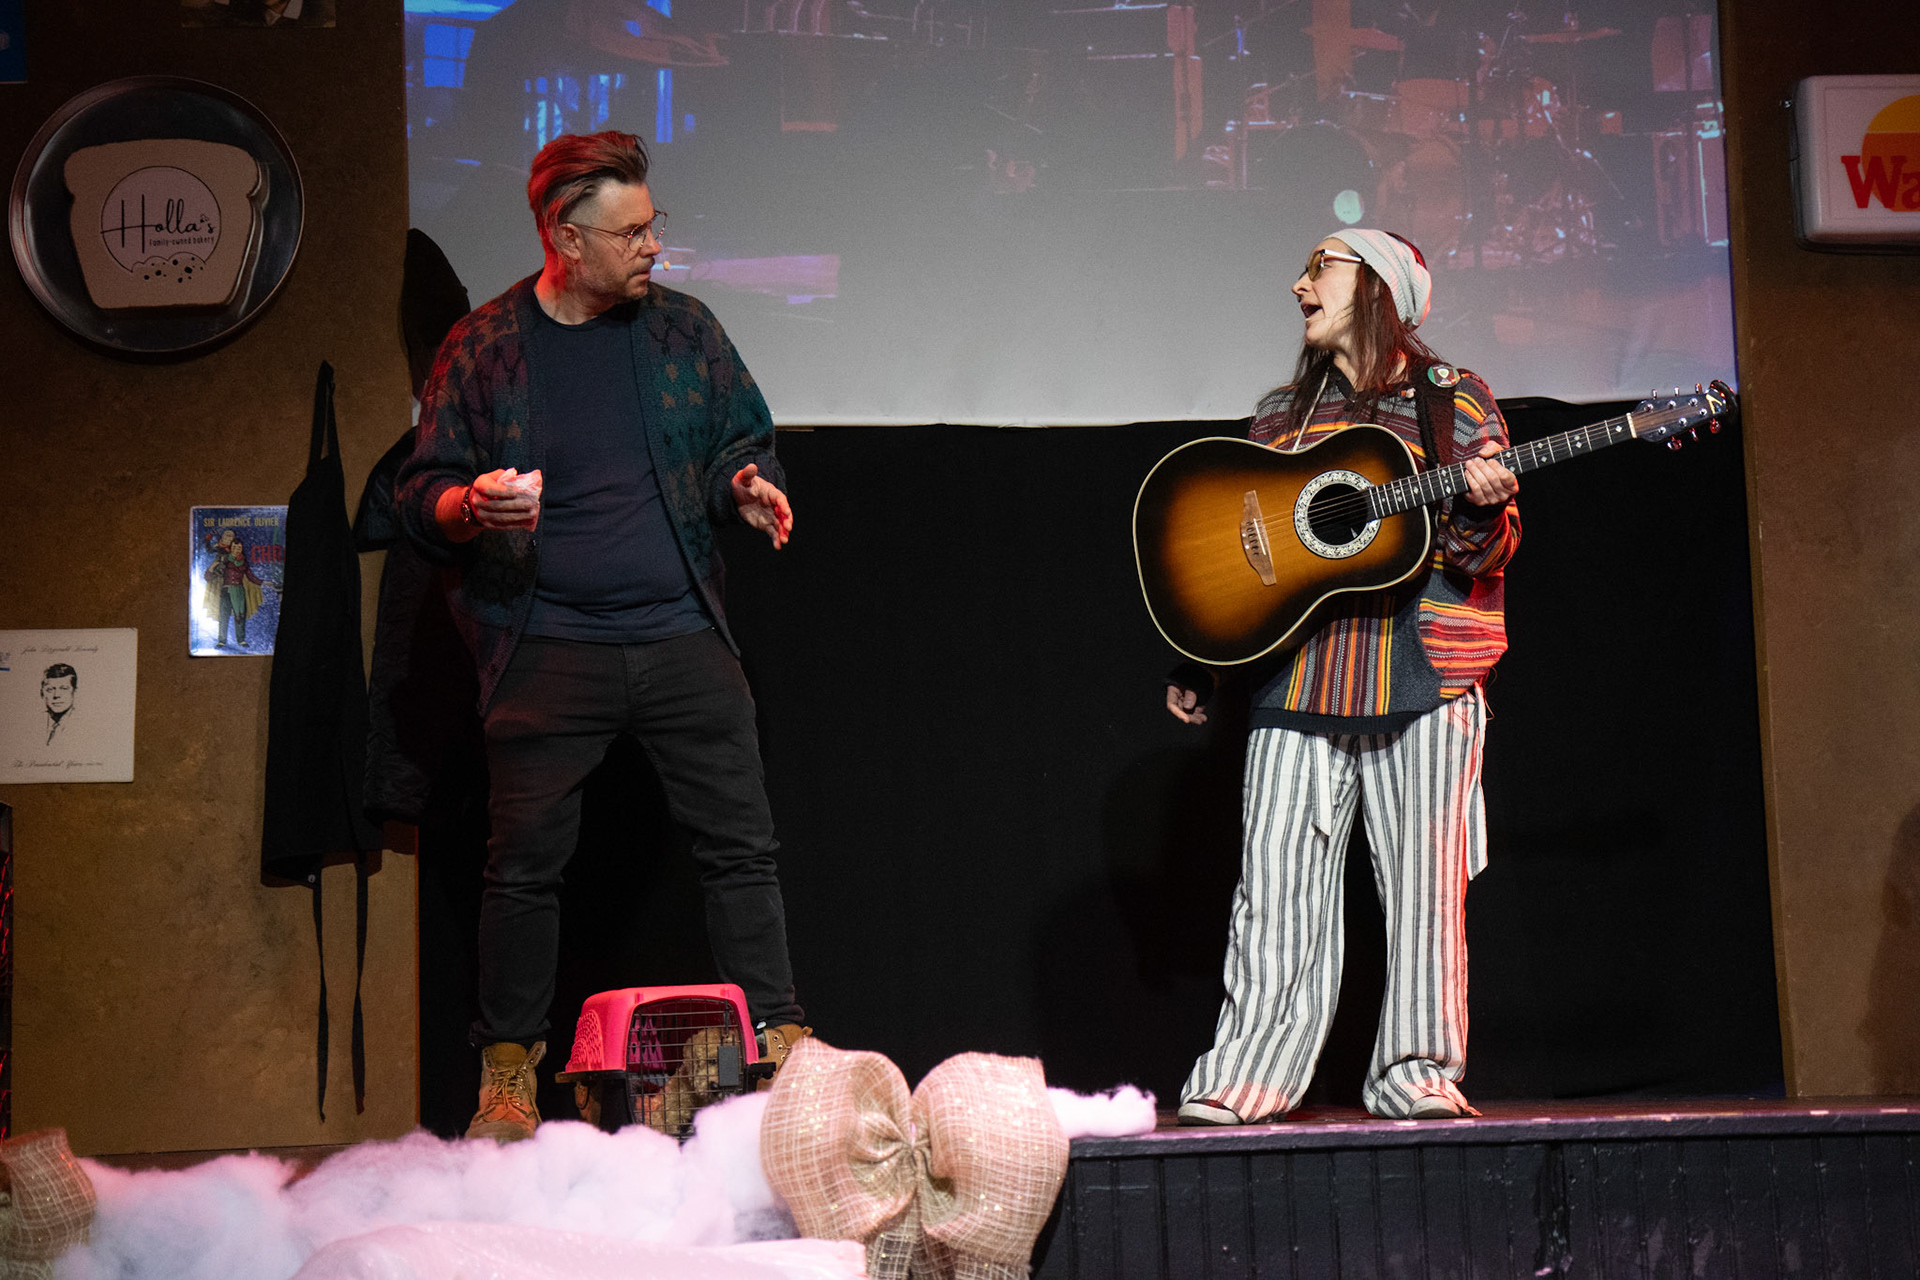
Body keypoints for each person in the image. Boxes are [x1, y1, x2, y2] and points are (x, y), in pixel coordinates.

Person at [396, 130, 808, 1143]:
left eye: (653, 225)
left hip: (680, 633)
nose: (652, 247)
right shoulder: (485, 347)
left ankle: (785, 1046)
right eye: (630, 233)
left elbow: (742, 440)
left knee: (743, 849)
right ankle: (506, 1073)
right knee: (522, 867)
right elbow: (419, 491)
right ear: (565, 238)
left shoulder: (685, 331)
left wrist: (746, 485)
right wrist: (469, 503)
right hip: (545, 645)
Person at [1169, 229, 1520, 1124]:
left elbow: (1487, 551)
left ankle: (1415, 1073)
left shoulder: (1453, 402)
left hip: (1424, 672)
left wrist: (1481, 509)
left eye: (1318, 266)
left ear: (1377, 286)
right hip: (1300, 679)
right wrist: (1205, 659)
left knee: (1427, 890)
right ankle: (1249, 1073)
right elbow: (1247, 567)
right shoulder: (1282, 419)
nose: (1299, 285)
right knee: (1274, 887)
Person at [41, 664, 78, 746]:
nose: (56, 695)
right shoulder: (31, 724)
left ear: (74, 692)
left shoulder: (85, 724)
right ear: (42, 693)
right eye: (50, 689)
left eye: (64, 688)